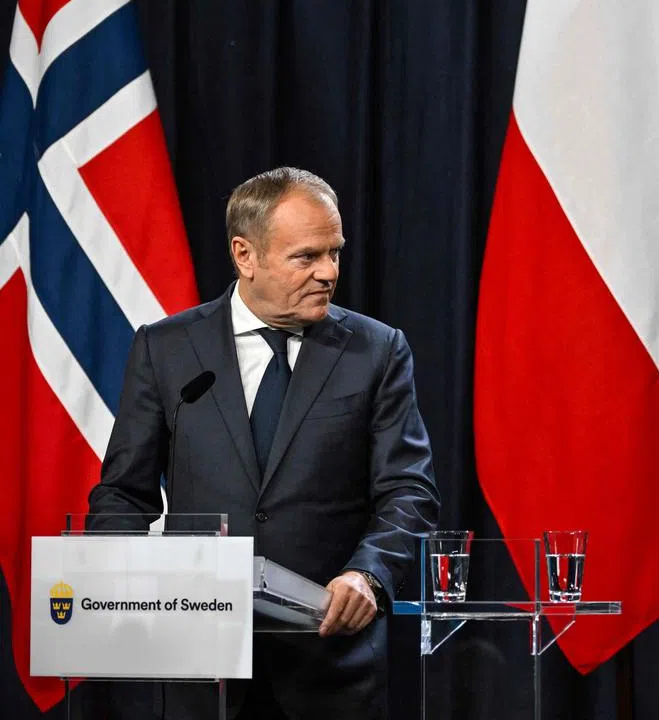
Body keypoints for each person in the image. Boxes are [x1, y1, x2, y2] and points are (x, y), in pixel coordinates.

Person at [88, 167, 440, 719]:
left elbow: (409, 491)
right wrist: (125, 593)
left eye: (335, 252)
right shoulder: (168, 349)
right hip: (200, 668)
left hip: (330, 667)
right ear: (244, 255)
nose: (329, 272)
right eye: (307, 257)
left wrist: (368, 573)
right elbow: (122, 497)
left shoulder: (376, 351)